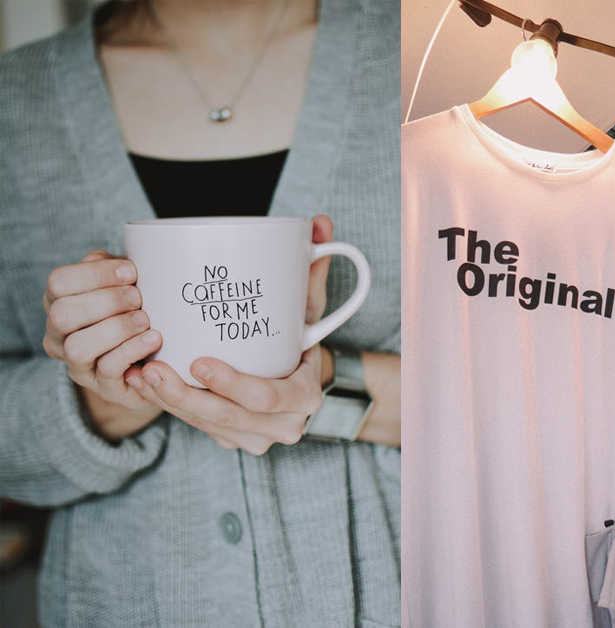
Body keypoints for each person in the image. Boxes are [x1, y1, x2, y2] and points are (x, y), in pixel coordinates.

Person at [0, 1, 402, 624]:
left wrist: (327, 382)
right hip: (121, 604)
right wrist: (108, 397)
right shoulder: (14, 100)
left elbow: (546, 396)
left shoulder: (425, 55)